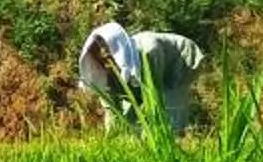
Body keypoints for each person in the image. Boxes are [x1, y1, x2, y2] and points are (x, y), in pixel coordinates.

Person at [75, 19, 204, 135]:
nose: (103, 55)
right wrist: (110, 139)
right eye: (98, 54)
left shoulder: (148, 51)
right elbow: (112, 110)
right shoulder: (103, 73)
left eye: (106, 50)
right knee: (130, 120)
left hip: (179, 62)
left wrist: (149, 133)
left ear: (117, 48)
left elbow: (153, 96)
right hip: (148, 76)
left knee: (170, 114)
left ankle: (173, 144)